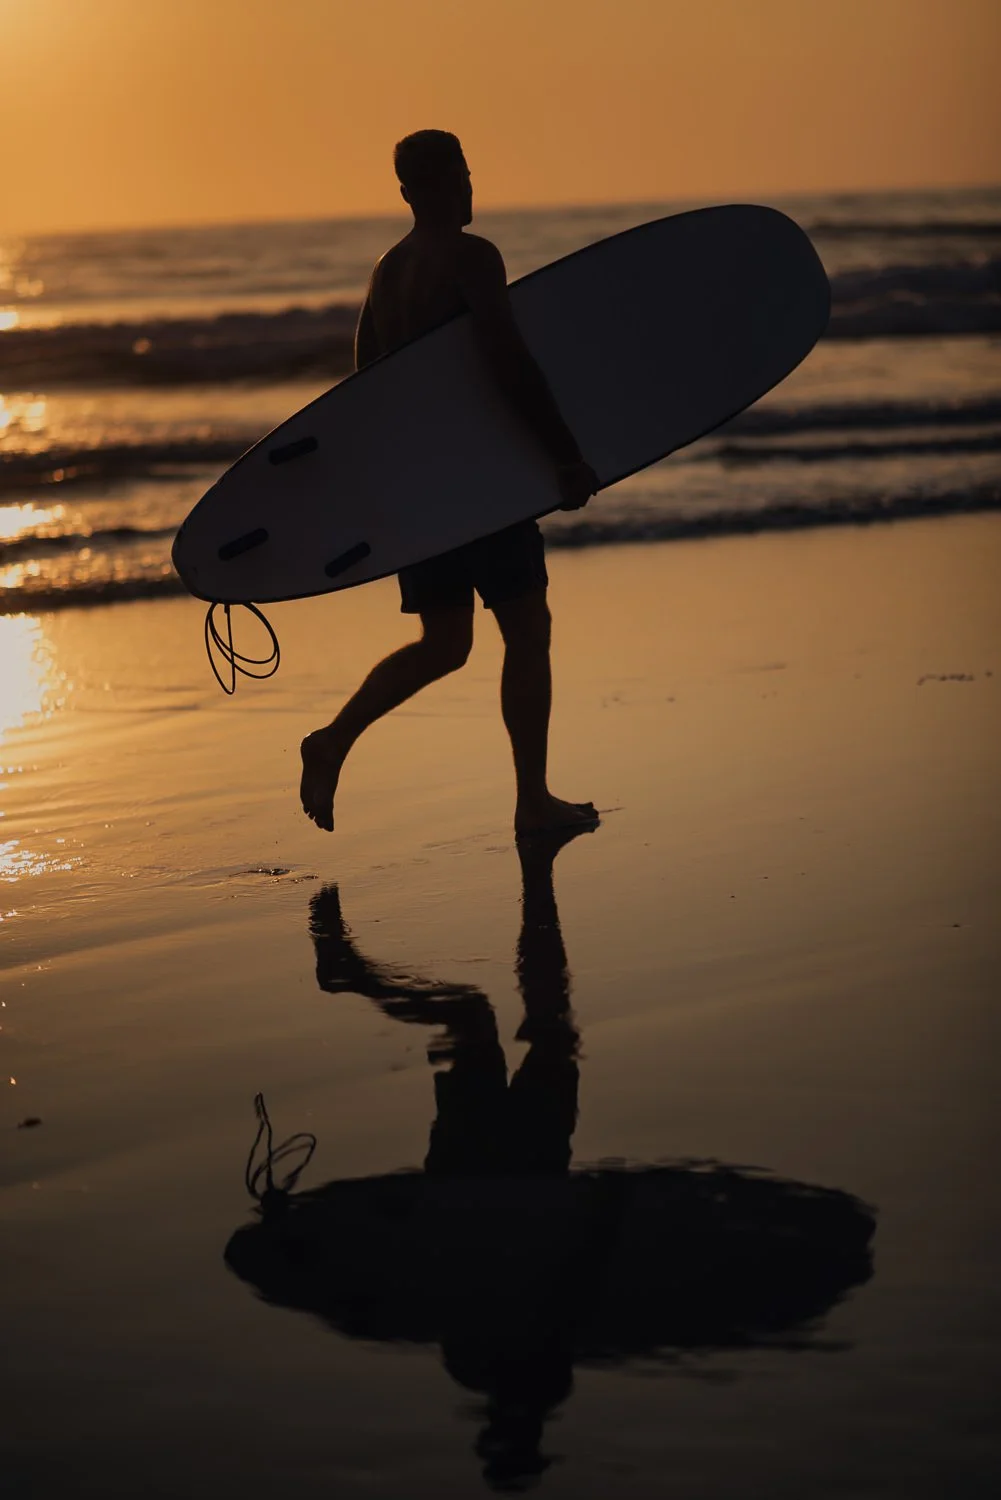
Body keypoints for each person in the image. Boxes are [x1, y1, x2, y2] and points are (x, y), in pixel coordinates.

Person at [299, 129, 599, 836]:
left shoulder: (387, 270)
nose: (468, 189)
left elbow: (365, 384)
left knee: (445, 643)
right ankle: (533, 801)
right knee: (527, 631)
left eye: (467, 175)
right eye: (460, 178)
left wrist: (388, 490)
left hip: (420, 488)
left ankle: (332, 740)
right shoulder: (471, 257)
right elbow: (508, 359)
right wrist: (561, 455)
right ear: (434, 187)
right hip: (477, 482)